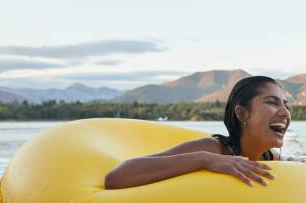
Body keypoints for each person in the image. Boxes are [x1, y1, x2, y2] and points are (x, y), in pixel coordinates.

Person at [104, 76, 291, 189]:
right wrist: (204, 160)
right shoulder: (214, 149)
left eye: (286, 104)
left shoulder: (270, 158)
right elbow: (117, 177)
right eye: (272, 102)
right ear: (242, 113)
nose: (285, 112)